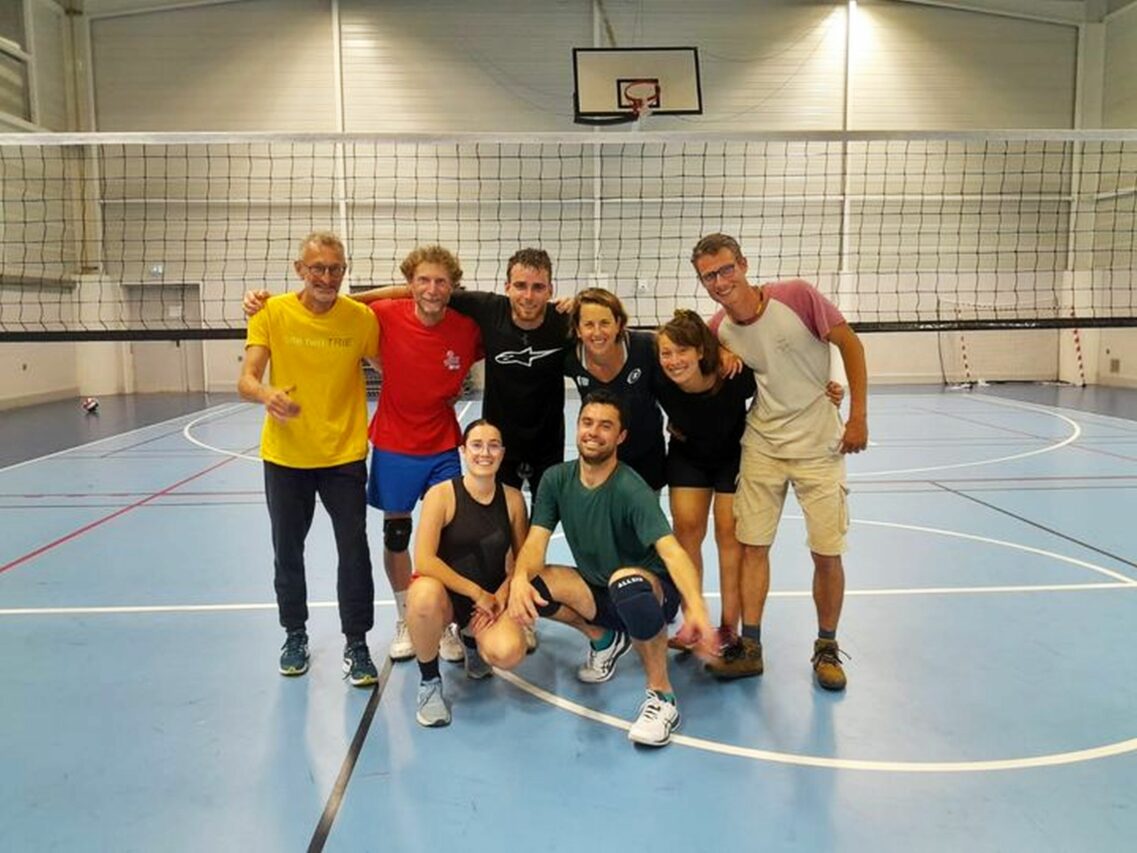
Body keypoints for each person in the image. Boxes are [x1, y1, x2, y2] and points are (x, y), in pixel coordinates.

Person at [691, 232, 868, 691]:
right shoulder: (718, 329)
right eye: (709, 276)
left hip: (819, 446)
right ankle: (750, 647)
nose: (720, 281)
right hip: (763, 444)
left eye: (726, 269)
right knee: (753, 546)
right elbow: (699, 369)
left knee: (827, 552)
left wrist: (857, 418)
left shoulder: (797, 296)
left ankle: (826, 647)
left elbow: (851, 346)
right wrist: (724, 353)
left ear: (744, 264)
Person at [508, 389, 715, 747]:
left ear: (620, 437)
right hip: (597, 589)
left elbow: (673, 552)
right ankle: (604, 639)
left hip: (648, 593)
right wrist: (518, 583)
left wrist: (694, 604)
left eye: (605, 426)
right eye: (587, 422)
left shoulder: (630, 488)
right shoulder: (556, 479)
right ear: (577, 427)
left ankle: (662, 698)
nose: (593, 432)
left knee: (626, 583)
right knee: (535, 585)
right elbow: (535, 544)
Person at [238, 231, 381, 686]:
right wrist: (266, 394)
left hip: (343, 454)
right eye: (317, 268)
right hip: (286, 457)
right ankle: (294, 633)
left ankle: (356, 643)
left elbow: (391, 368)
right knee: (287, 550)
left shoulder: (360, 319)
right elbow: (246, 378)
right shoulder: (271, 312)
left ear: (344, 270)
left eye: (335, 268)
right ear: (300, 269)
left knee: (354, 551)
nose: (326, 276)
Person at [365, 245, 484, 663]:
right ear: (409, 284)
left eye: (441, 282)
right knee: (397, 534)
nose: (432, 290)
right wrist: (401, 289)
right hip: (395, 444)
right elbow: (343, 303)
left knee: (452, 535)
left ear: (453, 286)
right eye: (423, 280)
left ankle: (445, 621)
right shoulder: (385, 314)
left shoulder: (467, 329)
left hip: (442, 446)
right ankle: (405, 618)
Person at [407, 419, 530, 727]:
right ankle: (429, 682)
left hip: (490, 598)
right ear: (463, 450)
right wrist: (476, 594)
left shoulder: (513, 499)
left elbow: (521, 561)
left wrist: (499, 597)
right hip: (451, 596)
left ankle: (472, 639)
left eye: (493, 445)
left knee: (509, 652)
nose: (484, 453)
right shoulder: (442, 494)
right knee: (423, 596)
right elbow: (423, 560)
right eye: (476, 445)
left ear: (502, 453)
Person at [653, 309, 755, 662]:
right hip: (687, 458)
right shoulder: (660, 378)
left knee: (729, 539)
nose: (674, 360)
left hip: (731, 458)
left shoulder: (734, 375)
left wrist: (830, 388)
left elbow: (779, 383)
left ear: (700, 351)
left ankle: (729, 628)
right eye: (667, 352)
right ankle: (693, 623)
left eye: (682, 351)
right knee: (687, 535)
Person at [563, 288, 667, 491]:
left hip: (647, 456)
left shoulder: (646, 346)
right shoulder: (570, 359)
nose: (597, 332)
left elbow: (687, 351)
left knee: (644, 520)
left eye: (604, 323)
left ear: (618, 324)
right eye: (588, 325)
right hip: (601, 457)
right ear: (577, 329)